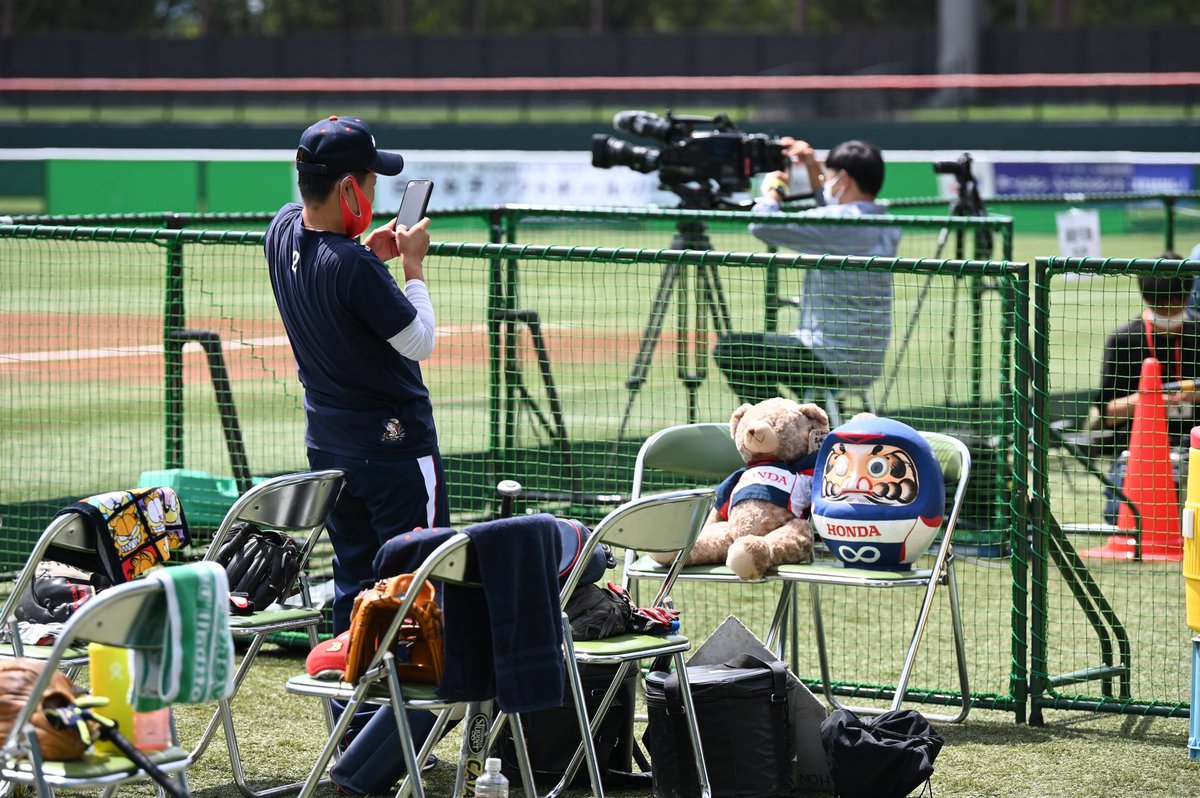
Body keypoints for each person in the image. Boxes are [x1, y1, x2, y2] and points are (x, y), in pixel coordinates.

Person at [264, 114, 449, 795]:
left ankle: (353, 727)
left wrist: (369, 258)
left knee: (351, 590)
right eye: (368, 181)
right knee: (415, 592)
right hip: (396, 450)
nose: (374, 191)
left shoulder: (282, 229)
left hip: (330, 447)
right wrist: (411, 267)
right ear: (348, 188)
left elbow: (327, 262)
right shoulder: (354, 267)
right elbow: (419, 341)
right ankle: (389, 748)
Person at [712, 138, 901, 405]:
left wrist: (775, 190)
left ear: (843, 179)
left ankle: (779, 425)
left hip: (826, 356)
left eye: (831, 176)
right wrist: (812, 165)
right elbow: (831, 207)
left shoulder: (840, 223)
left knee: (732, 350)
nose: (828, 182)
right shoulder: (887, 222)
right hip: (866, 362)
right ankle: (809, 418)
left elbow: (761, 225)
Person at [1089, 269, 1200, 525]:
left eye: (1176, 304)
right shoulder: (1124, 339)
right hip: (1138, 451)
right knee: (1121, 516)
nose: (1170, 312)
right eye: (1161, 306)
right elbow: (1107, 412)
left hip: (1193, 447)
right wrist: (1151, 401)